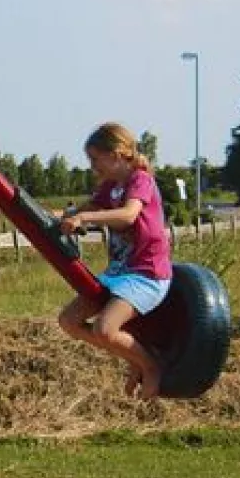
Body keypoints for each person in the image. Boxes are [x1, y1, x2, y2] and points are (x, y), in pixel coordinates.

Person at [56, 122, 173, 400]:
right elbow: (83, 208)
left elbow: (128, 215)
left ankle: (151, 365)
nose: (92, 166)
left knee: (105, 329)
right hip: (120, 272)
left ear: (117, 153)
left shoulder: (140, 180)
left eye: (95, 159)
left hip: (146, 274)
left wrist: (84, 219)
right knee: (69, 321)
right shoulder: (110, 186)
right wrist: (58, 215)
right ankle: (133, 356)